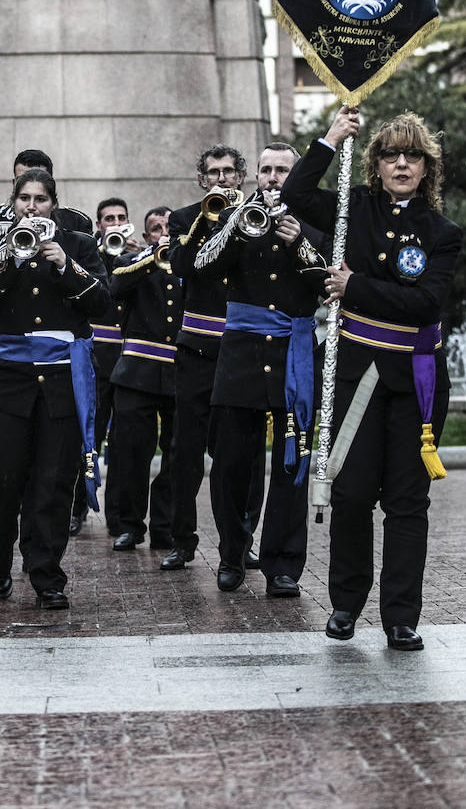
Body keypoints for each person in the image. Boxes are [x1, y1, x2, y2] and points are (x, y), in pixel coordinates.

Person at [281, 108, 463, 651]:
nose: (402, 163)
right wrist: (330, 138)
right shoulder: (350, 209)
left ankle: (402, 616)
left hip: (415, 378)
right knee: (354, 495)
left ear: (427, 167)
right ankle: (345, 605)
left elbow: (425, 302)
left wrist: (354, 285)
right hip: (356, 375)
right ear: (376, 165)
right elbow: (292, 195)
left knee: (407, 503)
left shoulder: (442, 233)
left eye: (413, 156)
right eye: (391, 155)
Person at [0, 167, 110, 609]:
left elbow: (102, 303)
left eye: (41, 199)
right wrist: (9, 257)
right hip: (11, 376)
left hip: (62, 377)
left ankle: (46, 573)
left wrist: (65, 266)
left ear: (54, 203)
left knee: (53, 480)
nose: (32, 207)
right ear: (14, 203)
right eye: (24, 199)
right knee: (5, 474)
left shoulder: (80, 245)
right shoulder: (0, 246)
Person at [195, 144, 330, 595]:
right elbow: (203, 267)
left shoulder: (315, 222)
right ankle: (233, 553)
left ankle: (284, 565)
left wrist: (299, 243)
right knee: (230, 462)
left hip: (293, 352)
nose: (273, 178)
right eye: (267, 170)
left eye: (283, 170)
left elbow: (328, 283)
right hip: (241, 354)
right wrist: (236, 230)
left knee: (292, 463)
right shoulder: (235, 217)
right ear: (256, 176)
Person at [161, 144, 251, 574]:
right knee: (185, 452)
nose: (221, 179)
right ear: (201, 179)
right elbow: (181, 265)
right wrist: (206, 220)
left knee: (240, 454)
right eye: (213, 173)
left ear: (241, 176)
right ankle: (182, 540)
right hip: (196, 350)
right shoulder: (183, 219)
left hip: (240, 352)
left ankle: (241, 540)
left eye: (229, 172)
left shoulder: (256, 215)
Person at [108, 206, 180, 552]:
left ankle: (164, 525)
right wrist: (153, 256)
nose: (163, 232)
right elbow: (116, 285)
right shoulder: (130, 260)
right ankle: (130, 526)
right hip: (137, 373)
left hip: (180, 375)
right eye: (156, 228)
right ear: (147, 234)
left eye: (169, 227)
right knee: (132, 454)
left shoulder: (191, 262)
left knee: (177, 455)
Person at [69, 196, 135, 537]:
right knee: (87, 436)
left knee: (123, 442)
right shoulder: (90, 253)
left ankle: (118, 518)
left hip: (126, 360)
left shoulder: (137, 256)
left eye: (121, 217)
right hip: (95, 356)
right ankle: (77, 509)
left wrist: (134, 257)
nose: (115, 223)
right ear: (99, 224)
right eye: (108, 218)